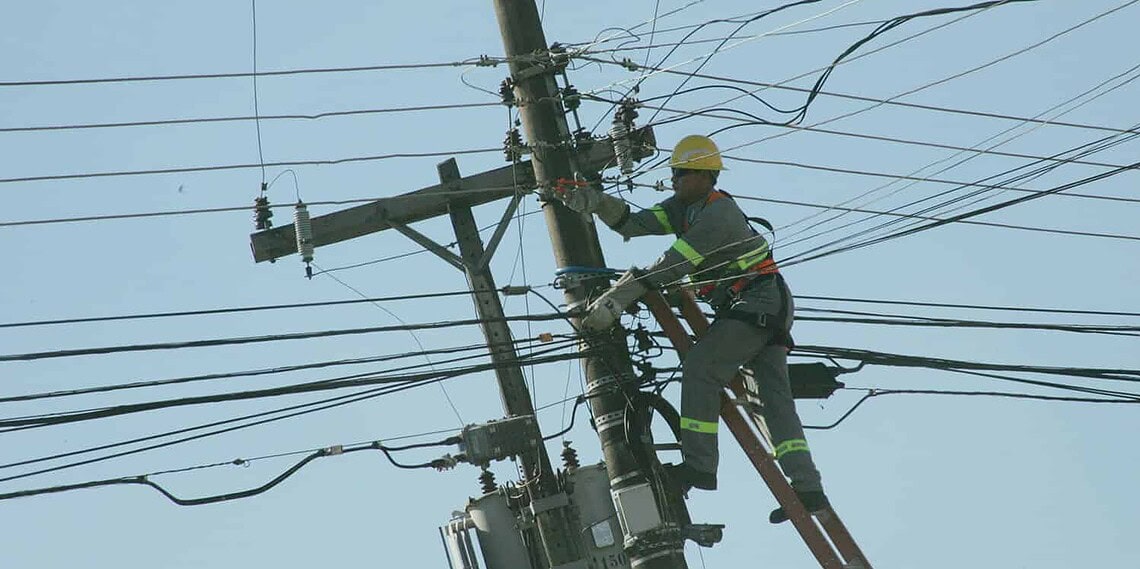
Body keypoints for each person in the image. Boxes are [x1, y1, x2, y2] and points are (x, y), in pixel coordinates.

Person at [558, 134, 828, 524]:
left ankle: (699, 467)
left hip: (757, 302)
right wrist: (595, 201)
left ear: (704, 176)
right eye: (673, 173)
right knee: (772, 404)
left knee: (701, 368)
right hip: (757, 305)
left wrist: (615, 301)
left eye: (680, 173)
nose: (673, 179)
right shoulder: (683, 209)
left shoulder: (718, 214)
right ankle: (809, 489)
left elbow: (670, 266)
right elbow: (633, 222)